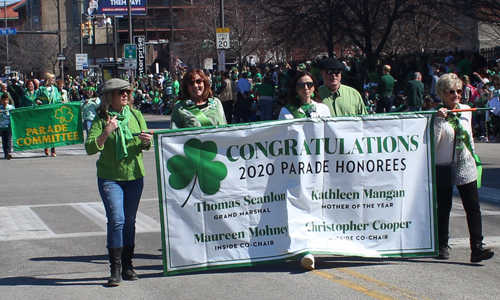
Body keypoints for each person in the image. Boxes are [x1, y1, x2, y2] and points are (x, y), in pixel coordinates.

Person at [85, 78, 152, 286]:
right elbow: (90, 148)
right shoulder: (101, 119)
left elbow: (145, 145)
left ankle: (128, 265)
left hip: (134, 176)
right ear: (109, 97)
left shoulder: (136, 115)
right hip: (110, 177)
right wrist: (106, 132)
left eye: (128, 92)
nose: (125, 95)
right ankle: (115, 270)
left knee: (130, 221)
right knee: (117, 220)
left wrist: (146, 141)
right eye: (120, 92)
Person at [433, 73, 494, 262]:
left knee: (473, 208)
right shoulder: (436, 114)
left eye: (459, 91)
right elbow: (432, 145)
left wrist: (474, 158)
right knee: (444, 208)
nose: (457, 95)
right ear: (442, 93)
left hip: (465, 165)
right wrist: (438, 121)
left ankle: (477, 247)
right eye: (451, 92)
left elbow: (470, 137)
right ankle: (442, 244)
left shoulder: (466, 109)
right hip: (443, 166)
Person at [37, 73, 62, 156]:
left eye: (54, 78)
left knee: (53, 130)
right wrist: (37, 101)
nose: (53, 80)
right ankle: (46, 147)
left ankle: (53, 149)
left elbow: (57, 99)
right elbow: (37, 98)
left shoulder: (55, 89)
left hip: (53, 111)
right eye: (52, 78)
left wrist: (60, 102)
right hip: (45, 112)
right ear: (48, 79)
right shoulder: (41, 89)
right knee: (46, 130)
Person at [0, 93, 14, 160]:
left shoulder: (11, 107)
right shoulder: (0, 108)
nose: (5, 101)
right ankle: (5, 153)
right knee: (4, 140)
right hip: (2, 126)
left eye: (6, 100)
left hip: (9, 126)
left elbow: (15, 114)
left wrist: (12, 112)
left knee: (8, 139)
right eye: (3, 100)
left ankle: (8, 152)